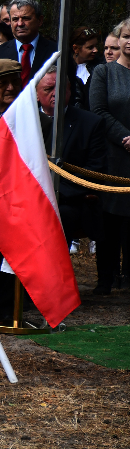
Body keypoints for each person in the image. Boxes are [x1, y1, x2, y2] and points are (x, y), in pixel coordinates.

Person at [37, 66, 106, 255]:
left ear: (69, 91)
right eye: (48, 89)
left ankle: (55, 273)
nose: (55, 94)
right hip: (31, 196)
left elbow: (95, 169)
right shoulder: (24, 121)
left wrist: (58, 193)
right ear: (36, 94)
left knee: (59, 216)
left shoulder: (90, 123)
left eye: (60, 89)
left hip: (71, 200)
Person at [90, 17, 130, 295]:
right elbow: (98, 111)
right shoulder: (104, 73)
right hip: (113, 156)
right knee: (109, 220)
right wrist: (126, 137)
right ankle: (105, 278)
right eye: (127, 36)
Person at [0, 0, 59, 87]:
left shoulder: (57, 52)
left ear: (40, 20)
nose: (20, 24)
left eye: (26, 18)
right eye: (15, 19)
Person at [70, 26, 102, 110]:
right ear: (75, 48)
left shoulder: (100, 66)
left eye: (96, 46)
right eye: (90, 47)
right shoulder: (65, 67)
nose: (95, 50)